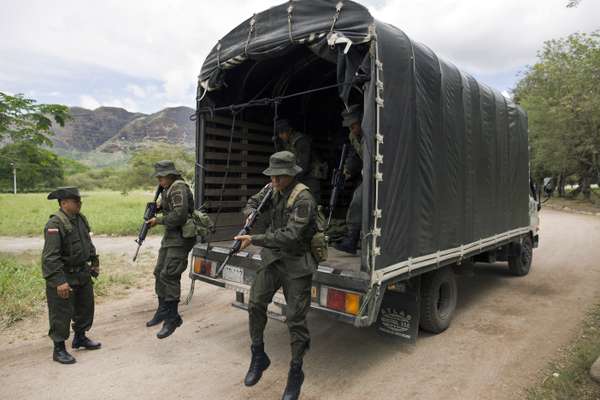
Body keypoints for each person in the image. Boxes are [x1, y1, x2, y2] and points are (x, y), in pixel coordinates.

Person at [235, 151, 317, 400]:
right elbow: (252, 201)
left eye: (279, 177)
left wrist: (255, 238)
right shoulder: (272, 187)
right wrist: (251, 212)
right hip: (273, 260)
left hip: (296, 262)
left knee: (295, 318)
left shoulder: (303, 198)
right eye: (272, 177)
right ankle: (259, 355)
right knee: (256, 302)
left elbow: (291, 236)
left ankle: (296, 371)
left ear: (290, 175)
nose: (274, 181)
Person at [42, 186, 101, 364]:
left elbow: (87, 242)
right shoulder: (55, 224)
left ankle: (80, 337)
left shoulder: (79, 219)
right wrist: (59, 281)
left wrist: (94, 262)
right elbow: (50, 257)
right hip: (64, 275)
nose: (79, 204)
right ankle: (59, 349)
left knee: (85, 307)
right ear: (64, 203)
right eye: (76, 201)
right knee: (61, 312)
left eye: (80, 201)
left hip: (82, 272)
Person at [146, 160, 195, 339]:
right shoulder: (168, 189)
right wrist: (158, 206)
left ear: (170, 175)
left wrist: (158, 220)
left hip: (181, 237)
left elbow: (179, 216)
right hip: (171, 237)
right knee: (159, 272)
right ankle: (163, 311)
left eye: (161, 177)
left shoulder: (178, 188)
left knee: (170, 274)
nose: (159, 180)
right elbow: (169, 207)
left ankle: (173, 318)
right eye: (158, 177)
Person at [334, 104, 364, 255]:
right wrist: (346, 172)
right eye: (349, 126)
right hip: (368, 174)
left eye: (354, 125)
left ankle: (352, 239)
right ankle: (353, 239)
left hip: (385, 173)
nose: (352, 129)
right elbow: (355, 156)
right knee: (357, 201)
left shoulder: (372, 132)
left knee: (358, 200)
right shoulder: (353, 136)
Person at [276, 118, 325, 203]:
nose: (280, 136)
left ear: (289, 131)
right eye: (279, 133)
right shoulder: (286, 142)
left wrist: (291, 180)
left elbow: (304, 164)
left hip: (311, 174)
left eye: (282, 133)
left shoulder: (301, 141)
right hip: (299, 174)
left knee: (313, 201)